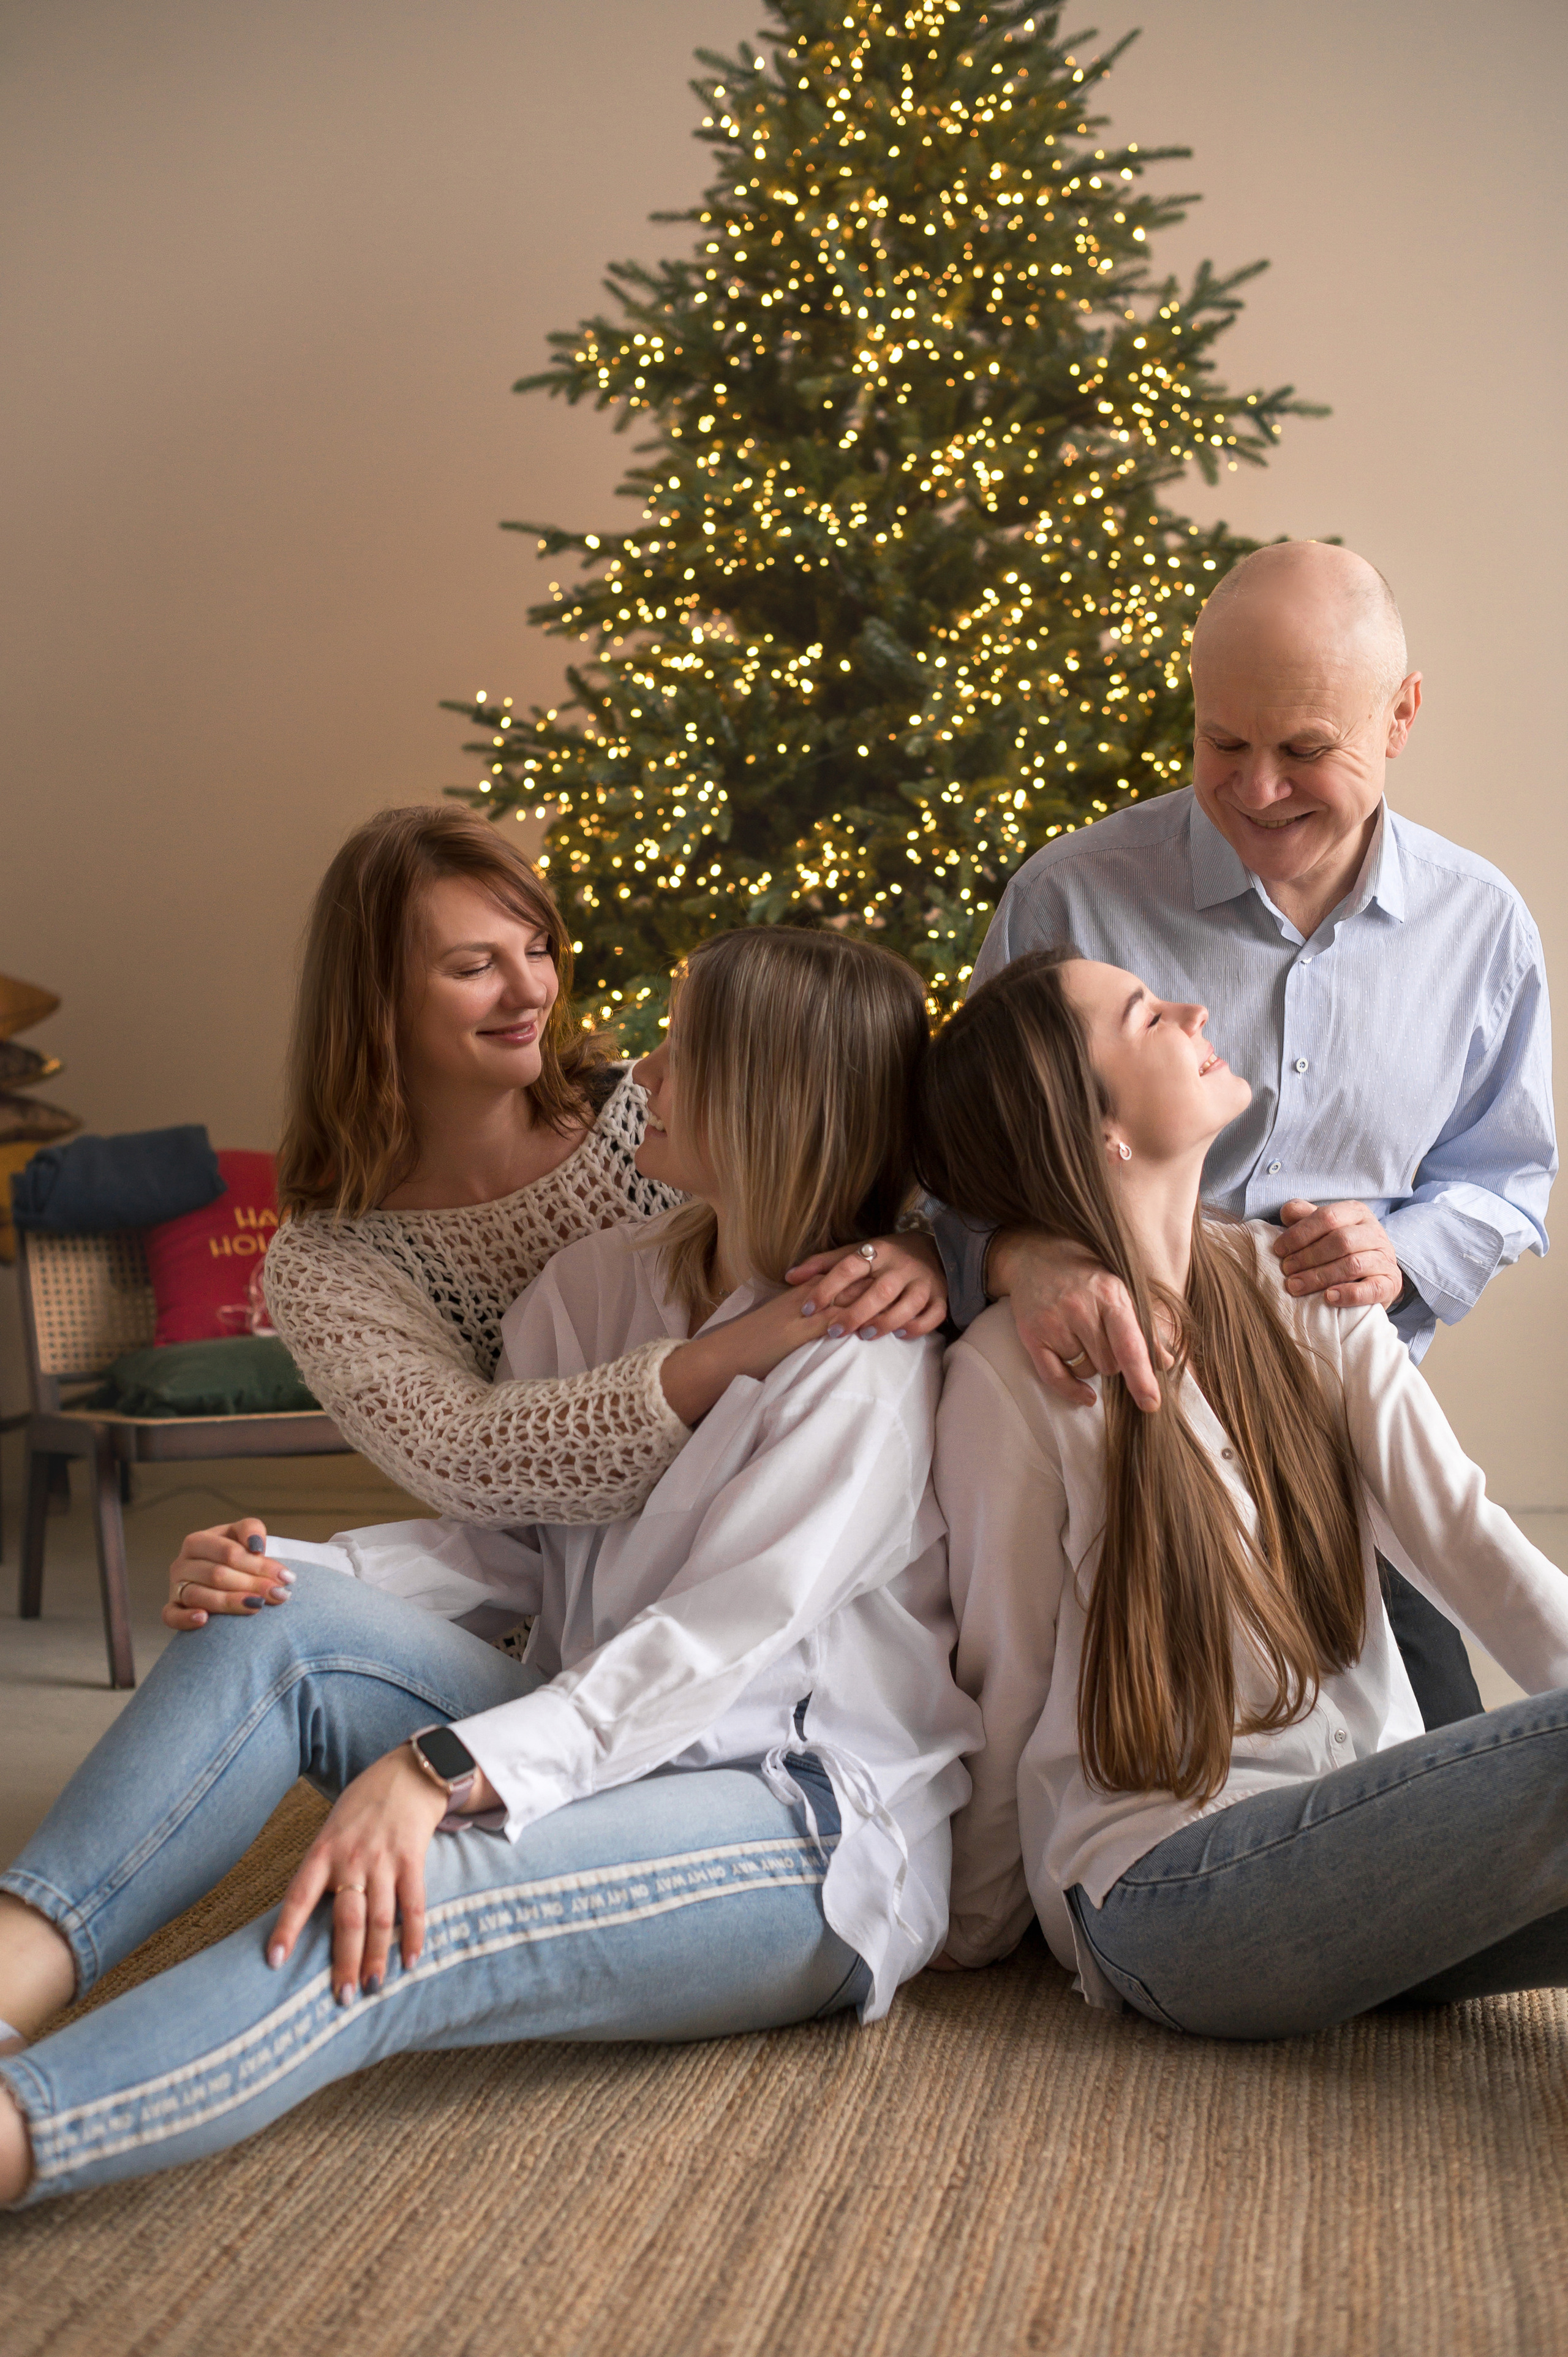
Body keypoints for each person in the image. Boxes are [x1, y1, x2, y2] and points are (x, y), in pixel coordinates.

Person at [0, 926, 980, 2206]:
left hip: (796, 1815)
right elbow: (505, 1544)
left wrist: (448, 1769)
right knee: (267, 1624)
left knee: (401, 1895)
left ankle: (22, 2133)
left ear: (770, 1093)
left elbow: (710, 1648)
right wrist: (274, 1561)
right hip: (579, 1733)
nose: (642, 1068)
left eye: (682, 1048)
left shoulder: (863, 1362)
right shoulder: (592, 1289)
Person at [931, 542, 1555, 1728]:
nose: (1259, 788)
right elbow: (965, 1169)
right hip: (1105, 1449)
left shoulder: (1482, 928)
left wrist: (1405, 1254)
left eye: (1306, 750)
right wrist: (1025, 1257)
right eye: (1226, 744)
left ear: (1402, 714)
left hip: (1345, 1448)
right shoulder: (1072, 898)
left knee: (1450, 1773)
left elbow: (1507, 1180)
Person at [921, 950, 1568, 2039]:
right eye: (1143, 1017)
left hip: (1368, 1840)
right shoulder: (1007, 1374)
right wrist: (973, 1925)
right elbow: (1007, 1667)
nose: (1192, 1008)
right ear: (1099, 1131)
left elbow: (1469, 1543)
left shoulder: (1303, 1288)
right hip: (1169, 1892)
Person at [223, 806, 943, 1600]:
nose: (531, 989)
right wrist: (754, 1340)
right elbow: (471, 1466)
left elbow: (840, 1159)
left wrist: (919, 1243)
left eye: (538, 949)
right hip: (524, 1620)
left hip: (707, 1619)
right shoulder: (329, 1262)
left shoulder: (671, 1118)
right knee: (245, 1616)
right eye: (474, 968)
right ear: (375, 1005)